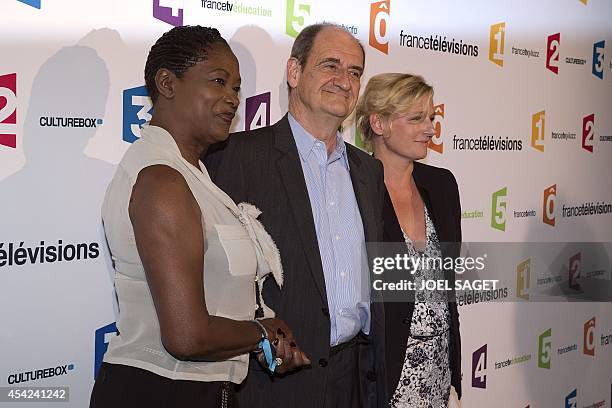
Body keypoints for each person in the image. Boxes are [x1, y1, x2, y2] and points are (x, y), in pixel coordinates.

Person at [90, 26, 309, 408]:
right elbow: (186, 336)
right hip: (159, 392)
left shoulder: (192, 174)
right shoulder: (162, 180)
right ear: (167, 83)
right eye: (218, 81)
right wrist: (260, 331)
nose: (232, 99)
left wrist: (257, 337)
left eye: (237, 88)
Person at [205, 23, 387, 408]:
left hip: (352, 378)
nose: (344, 80)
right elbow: (210, 271)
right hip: (273, 383)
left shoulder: (369, 172)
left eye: (354, 72)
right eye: (330, 66)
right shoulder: (237, 157)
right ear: (294, 72)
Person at [355, 73, 462, 407]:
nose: (430, 128)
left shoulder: (442, 185)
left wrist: (455, 379)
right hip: (385, 377)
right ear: (379, 123)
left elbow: (449, 290)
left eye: (431, 118)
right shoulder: (355, 190)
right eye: (416, 118)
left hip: (440, 373)